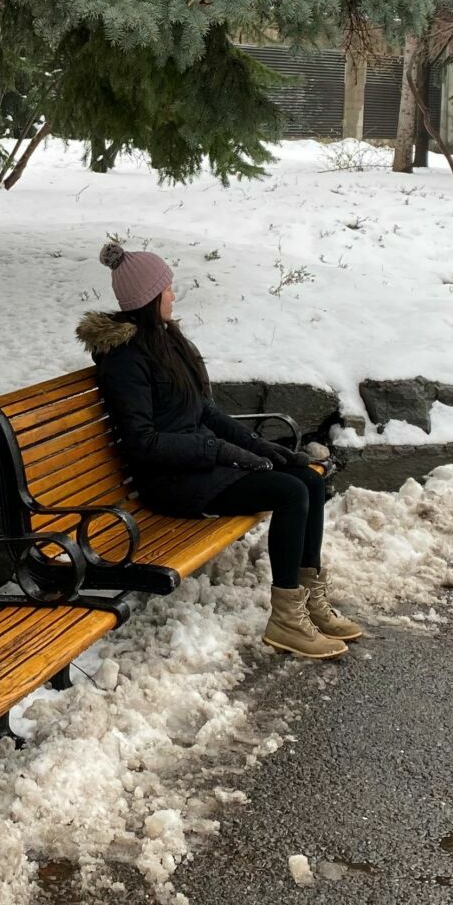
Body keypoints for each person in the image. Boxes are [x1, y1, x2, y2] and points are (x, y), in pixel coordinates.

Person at [78, 241, 365, 660]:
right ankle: (286, 620)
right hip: (171, 482)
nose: (173, 295)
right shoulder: (125, 359)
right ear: (148, 298)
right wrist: (220, 452)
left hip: (198, 468)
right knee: (291, 493)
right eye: (167, 289)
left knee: (307, 479)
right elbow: (144, 443)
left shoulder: (165, 341)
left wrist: (260, 446)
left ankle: (307, 602)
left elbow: (205, 412)